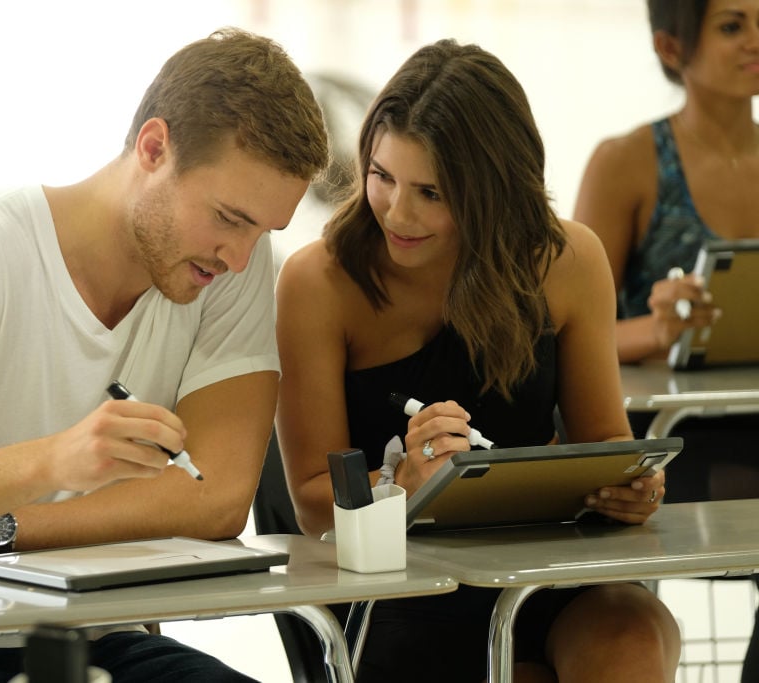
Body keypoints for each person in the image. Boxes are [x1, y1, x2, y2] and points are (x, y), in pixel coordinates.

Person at [0, 27, 328, 683]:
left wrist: (8, 528)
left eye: (263, 230)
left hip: (98, 631)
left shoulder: (231, 270)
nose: (242, 256)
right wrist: (56, 458)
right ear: (154, 148)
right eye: (229, 217)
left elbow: (214, 497)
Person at [275, 39, 681, 682]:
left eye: (432, 192)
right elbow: (309, 503)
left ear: (496, 190)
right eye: (382, 177)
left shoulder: (566, 259)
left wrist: (635, 489)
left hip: (544, 572)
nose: (398, 213)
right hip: (399, 591)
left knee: (631, 634)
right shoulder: (319, 282)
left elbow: (606, 439)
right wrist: (398, 488)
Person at [574, 2, 759, 679]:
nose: (756, 42)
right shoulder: (627, 163)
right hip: (668, 443)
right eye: (733, 26)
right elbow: (564, 330)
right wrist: (656, 330)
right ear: (671, 47)